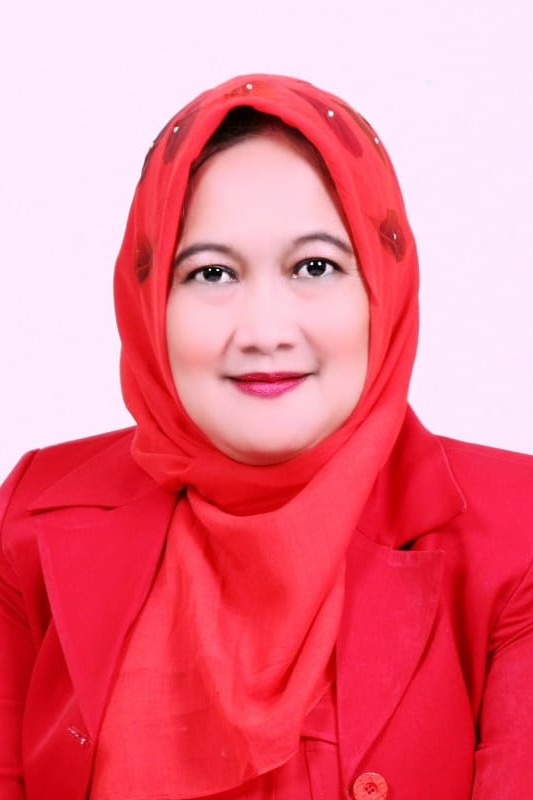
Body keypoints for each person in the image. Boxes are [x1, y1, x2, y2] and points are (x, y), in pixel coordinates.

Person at [1, 73, 532, 800]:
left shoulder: (515, 535)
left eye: (315, 266)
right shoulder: (34, 519)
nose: (264, 331)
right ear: (148, 298)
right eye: (212, 273)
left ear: (382, 286)